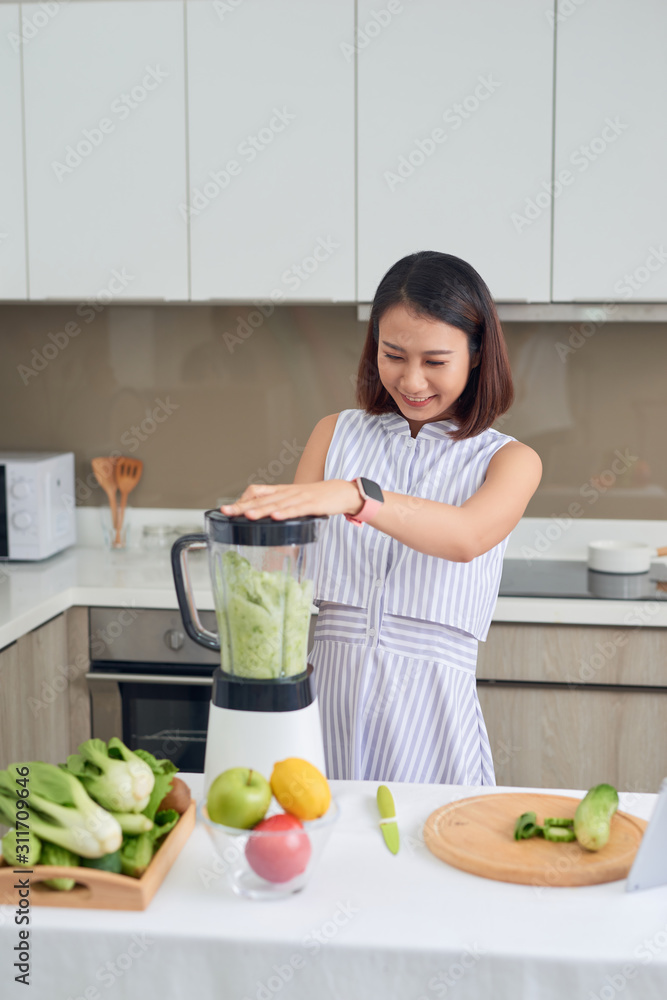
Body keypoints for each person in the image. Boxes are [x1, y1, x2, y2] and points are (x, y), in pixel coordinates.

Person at [220, 251, 542, 784]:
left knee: (432, 857)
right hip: (327, 706)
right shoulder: (335, 433)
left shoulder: (508, 460)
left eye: (436, 361)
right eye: (393, 355)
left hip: (434, 719)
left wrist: (356, 496)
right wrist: (258, 539)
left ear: (478, 353)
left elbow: (465, 536)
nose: (412, 380)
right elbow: (284, 568)